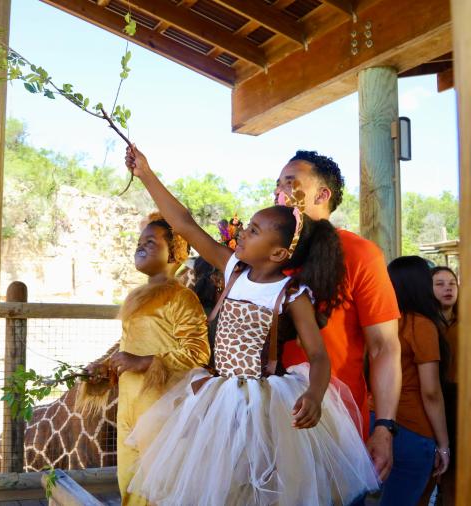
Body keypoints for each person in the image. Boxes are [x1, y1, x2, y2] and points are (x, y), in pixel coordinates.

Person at [123, 146, 378, 505]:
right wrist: (146, 174)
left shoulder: (291, 295)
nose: (243, 233)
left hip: (263, 402)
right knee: (217, 484)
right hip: (218, 396)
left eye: (254, 231)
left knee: (264, 486)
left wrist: (315, 395)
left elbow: (319, 357)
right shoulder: (232, 270)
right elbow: (184, 224)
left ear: (277, 253)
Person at [275, 151, 402, 481]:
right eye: (277, 184)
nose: (280, 191)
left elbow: (384, 348)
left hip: (336, 428)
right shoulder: (268, 255)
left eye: (291, 182)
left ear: (322, 194)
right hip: (268, 425)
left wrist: (384, 427)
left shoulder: (361, 254)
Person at [82, 213, 210, 505]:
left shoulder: (181, 298)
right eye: (139, 242)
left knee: (159, 491)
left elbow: (198, 352)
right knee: (130, 488)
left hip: (162, 414)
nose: (140, 246)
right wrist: (104, 370)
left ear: (175, 251)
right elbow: (129, 351)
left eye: (150, 242)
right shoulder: (136, 296)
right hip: (128, 411)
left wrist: (144, 362)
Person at [374, 256, 450, 505]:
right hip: (412, 428)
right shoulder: (421, 324)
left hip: (374, 420)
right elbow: (430, 392)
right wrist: (444, 444)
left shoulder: (379, 323)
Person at [430, 266, 459, 505]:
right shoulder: (426, 324)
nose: (448, 288)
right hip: (433, 397)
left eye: (452, 283)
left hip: (461, 398)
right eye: (439, 284)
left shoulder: (469, 321)